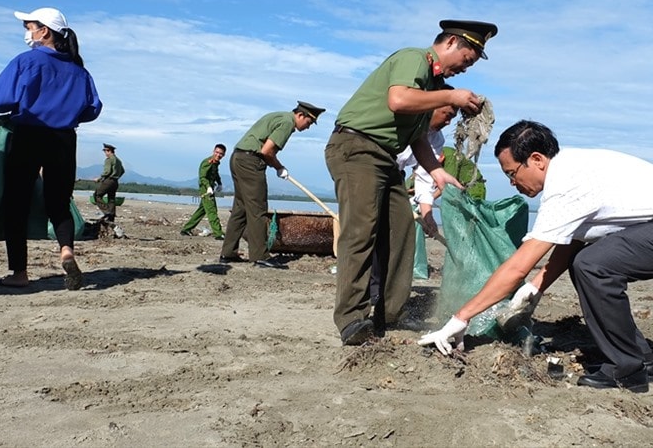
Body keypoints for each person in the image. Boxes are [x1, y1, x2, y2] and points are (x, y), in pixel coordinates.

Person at [419, 121, 653, 393]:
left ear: (536, 159)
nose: (512, 183)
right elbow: (569, 245)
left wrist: (460, 318)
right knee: (587, 261)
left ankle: (627, 369)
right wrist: (535, 289)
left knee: (593, 265)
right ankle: (641, 361)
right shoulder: (572, 168)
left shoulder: (566, 184)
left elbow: (518, 265)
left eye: (512, 173)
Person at [326, 19, 497, 346]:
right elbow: (398, 100)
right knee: (361, 230)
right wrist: (453, 95)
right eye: (467, 60)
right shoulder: (414, 59)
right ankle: (351, 319)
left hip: (384, 156)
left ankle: (387, 314)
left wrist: (436, 171)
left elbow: (418, 136)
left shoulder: (432, 86)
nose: (465, 69)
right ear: (450, 43)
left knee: (403, 228)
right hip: (357, 147)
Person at [0, 7, 102, 289]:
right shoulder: (79, 70)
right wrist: (65, 112)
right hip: (64, 139)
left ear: (44, 31)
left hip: (29, 135)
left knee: (16, 202)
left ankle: (19, 273)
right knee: (58, 202)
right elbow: (93, 109)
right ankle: (66, 250)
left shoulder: (27, 62)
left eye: (29, 26)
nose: (26, 32)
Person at [220, 101, 325, 267]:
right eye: (309, 122)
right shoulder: (287, 123)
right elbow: (266, 151)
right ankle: (260, 256)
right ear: (300, 115)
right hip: (251, 161)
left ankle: (228, 253)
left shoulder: (278, 116)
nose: (308, 127)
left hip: (238, 157)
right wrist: (279, 167)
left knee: (240, 208)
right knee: (258, 210)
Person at [395, 99, 458, 280]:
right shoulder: (403, 123)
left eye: (452, 118)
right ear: (431, 108)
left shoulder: (437, 139)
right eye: (447, 115)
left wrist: (427, 214)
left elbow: (424, 176)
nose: (448, 122)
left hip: (395, 175)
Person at [180, 144, 226, 239]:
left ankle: (186, 229)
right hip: (206, 190)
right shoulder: (207, 162)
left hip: (210, 189)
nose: (218, 155)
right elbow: (202, 177)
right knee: (212, 210)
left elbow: (216, 174)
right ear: (213, 151)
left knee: (202, 210)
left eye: (221, 154)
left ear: (223, 155)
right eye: (217, 152)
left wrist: (219, 183)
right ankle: (218, 233)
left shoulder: (215, 163)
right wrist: (208, 187)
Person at [93, 143, 124, 222]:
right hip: (115, 182)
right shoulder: (118, 160)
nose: (105, 153)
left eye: (105, 151)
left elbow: (107, 172)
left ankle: (107, 212)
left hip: (109, 181)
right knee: (111, 199)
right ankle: (111, 217)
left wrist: (99, 178)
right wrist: (116, 177)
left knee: (97, 195)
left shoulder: (109, 159)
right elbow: (122, 171)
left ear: (109, 151)